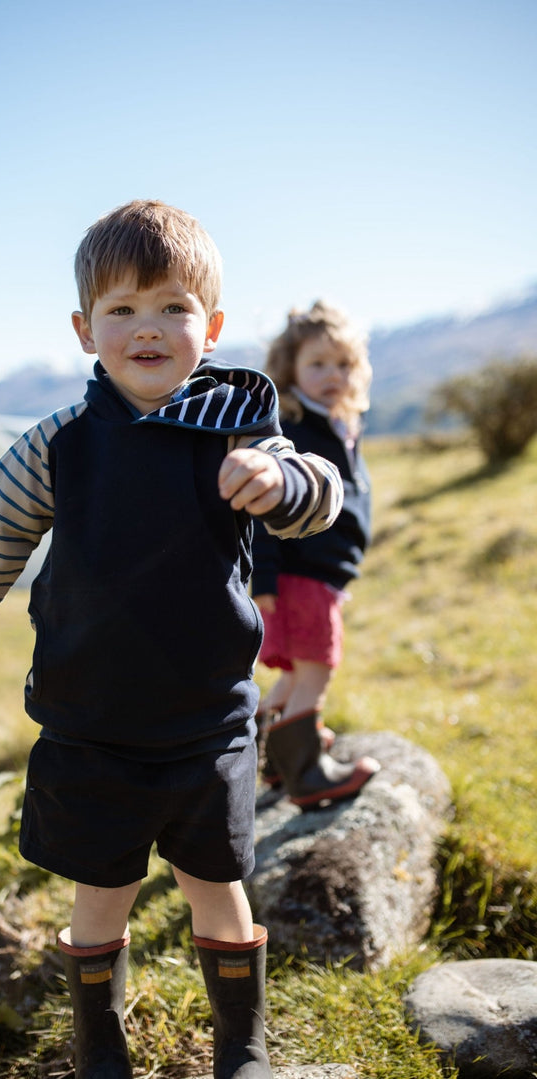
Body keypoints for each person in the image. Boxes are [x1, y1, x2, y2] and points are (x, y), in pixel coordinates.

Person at [0, 201, 344, 1079]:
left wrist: (278, 476)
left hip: (208, 725)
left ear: (212, 325)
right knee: (100, 893)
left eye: (171, 306)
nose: (146, 328)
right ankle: (100, 1045)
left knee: (217, 886)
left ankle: (244, 1044)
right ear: (85, 329)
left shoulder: (238, 424)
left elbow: (321, 492)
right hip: (91, 727)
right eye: (120, 309)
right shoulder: (56, 447)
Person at [251, 301, 380, 809]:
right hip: (300, 576)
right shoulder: (296, 432)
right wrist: (263, 578)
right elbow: (266, 509)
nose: (333, 376)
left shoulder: (336, 426)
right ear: (291, 370)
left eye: (344, 365)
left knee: (293, 674)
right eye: (318, 364)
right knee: (316, 673)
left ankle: (272, 760)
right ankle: (308, 775)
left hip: (318, 579)